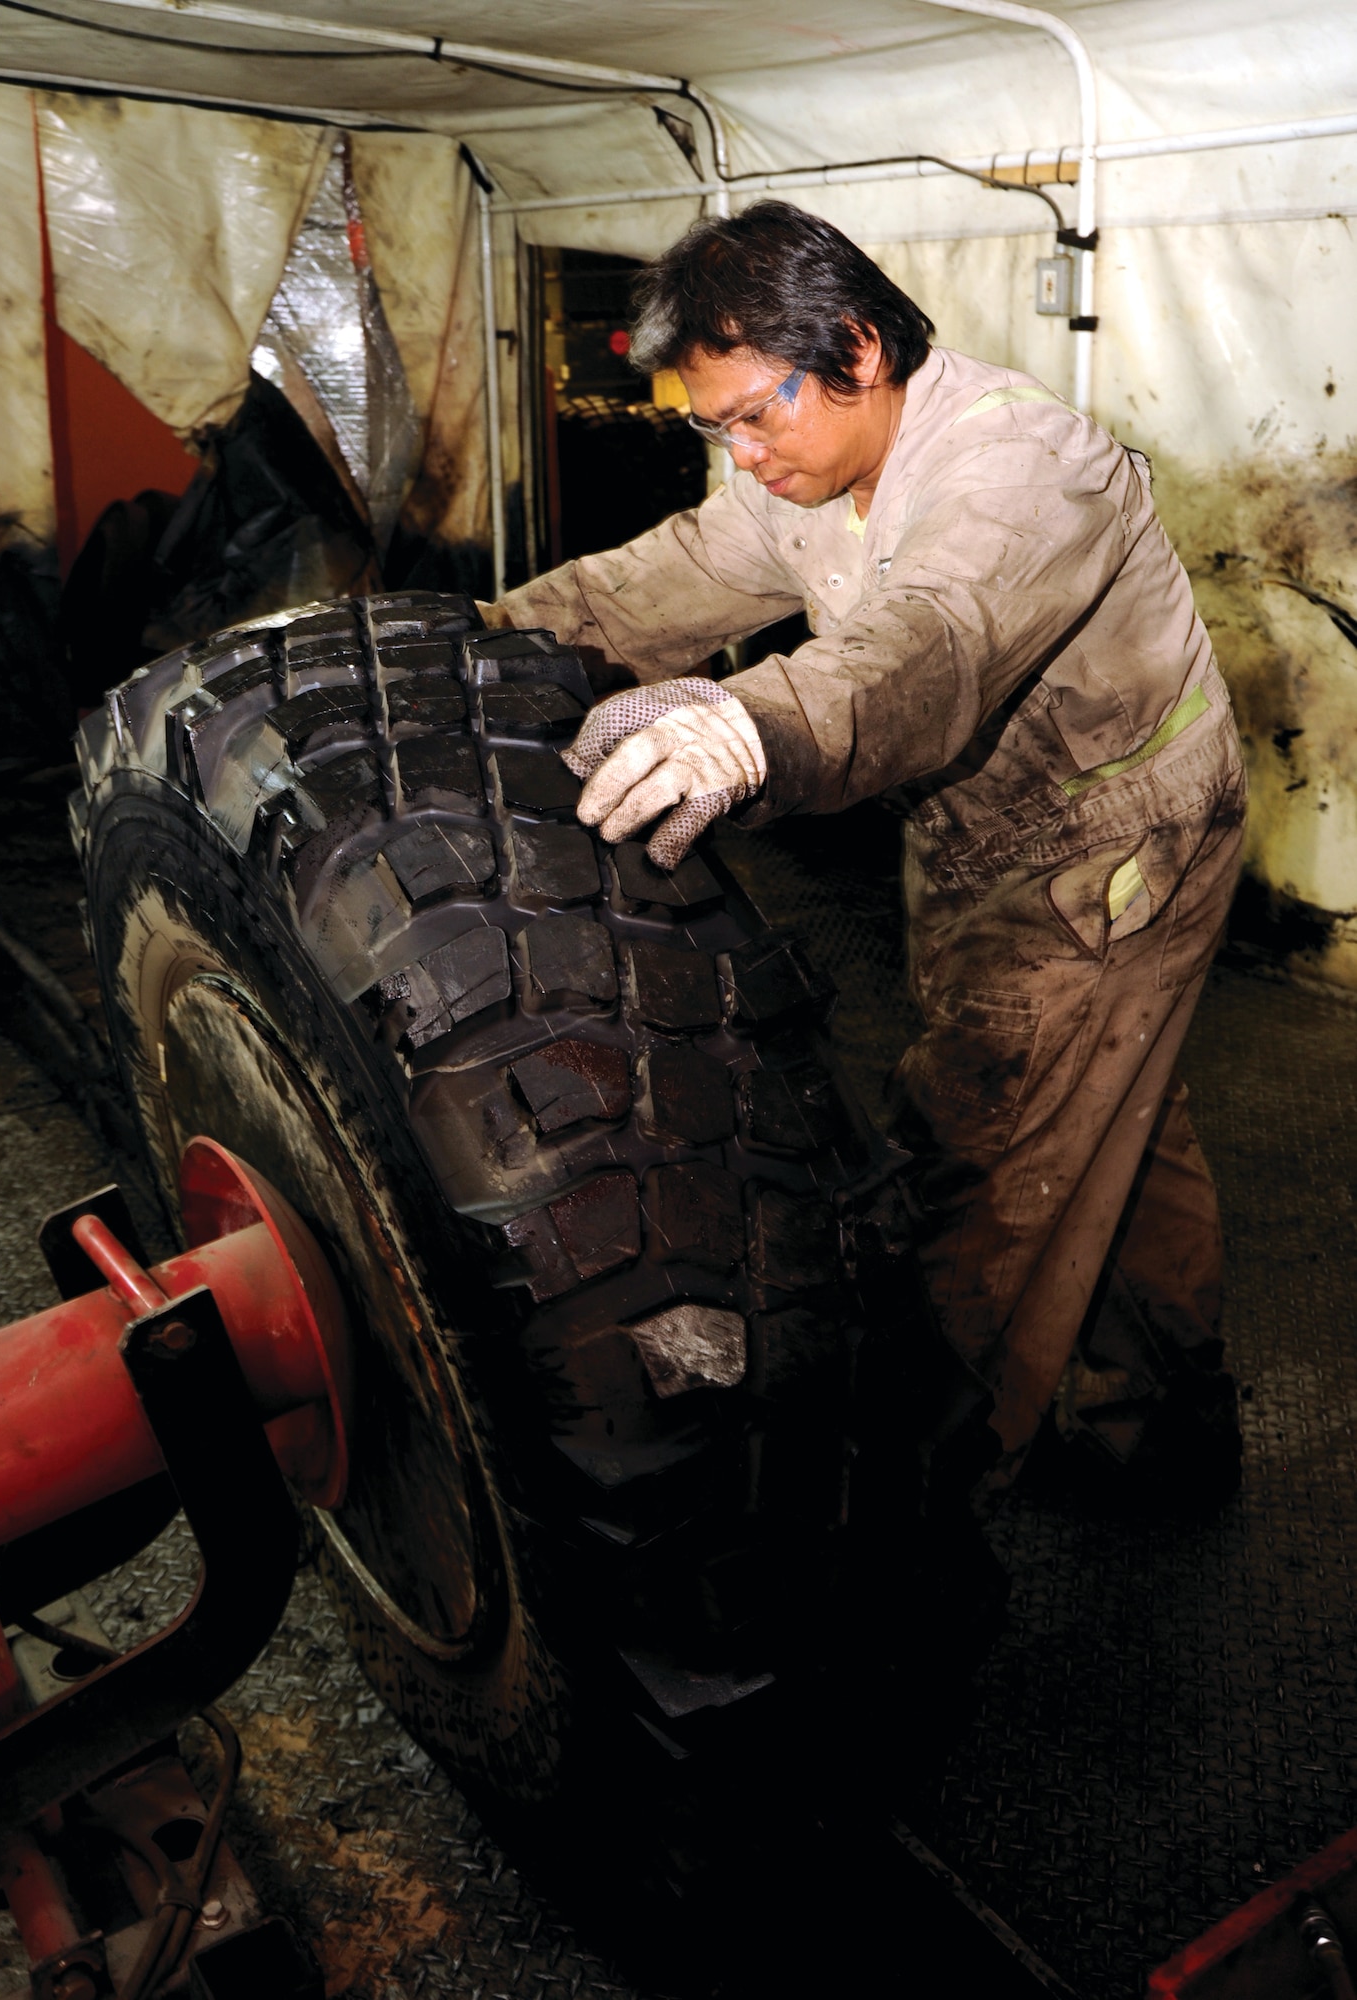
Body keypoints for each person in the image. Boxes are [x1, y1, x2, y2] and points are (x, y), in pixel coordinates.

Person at [483, 201, 1246, 1507]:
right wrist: (465, 645)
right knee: (1119, 1112)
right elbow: (654, 587)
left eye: (756, 413)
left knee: (985, 1145)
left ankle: (909, 1502)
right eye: (711, 427)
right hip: (981, 828)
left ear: (855, 347)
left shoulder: (1019, 464)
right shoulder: (799, 472)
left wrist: (753, 722)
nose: (741, 452)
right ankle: (1161, 1428)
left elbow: (930, 648)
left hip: (1116, 842)